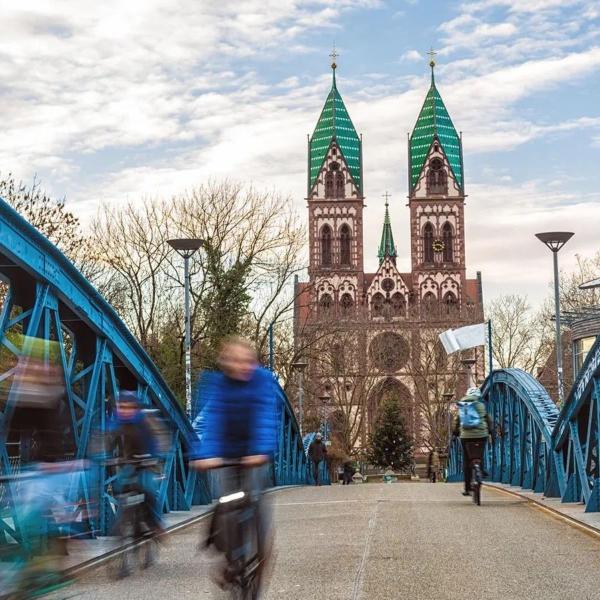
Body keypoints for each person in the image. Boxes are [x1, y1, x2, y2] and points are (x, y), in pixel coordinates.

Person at [190, 337, 278, 593]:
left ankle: (261, 551)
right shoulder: (217, 385)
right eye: (235, 361)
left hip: (254, 454)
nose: (242, 366)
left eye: (247, 361)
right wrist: (205, 454)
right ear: (226, 364)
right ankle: (227, 554)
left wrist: (261, 450)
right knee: (226, 502)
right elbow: (212, 420)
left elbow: (265, 417)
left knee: (256, 499)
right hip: (227, 453)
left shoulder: (263, 381)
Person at [453, 386, 492, 496]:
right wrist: (490, 431)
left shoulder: (462, 405)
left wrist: (455, 433)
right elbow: (488, 419)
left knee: (467, 460)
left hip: (465, 436)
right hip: (481, 435)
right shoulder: (480, 405)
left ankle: (467, 488)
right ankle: (482, 470)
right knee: (480, 453)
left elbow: (457, 421)